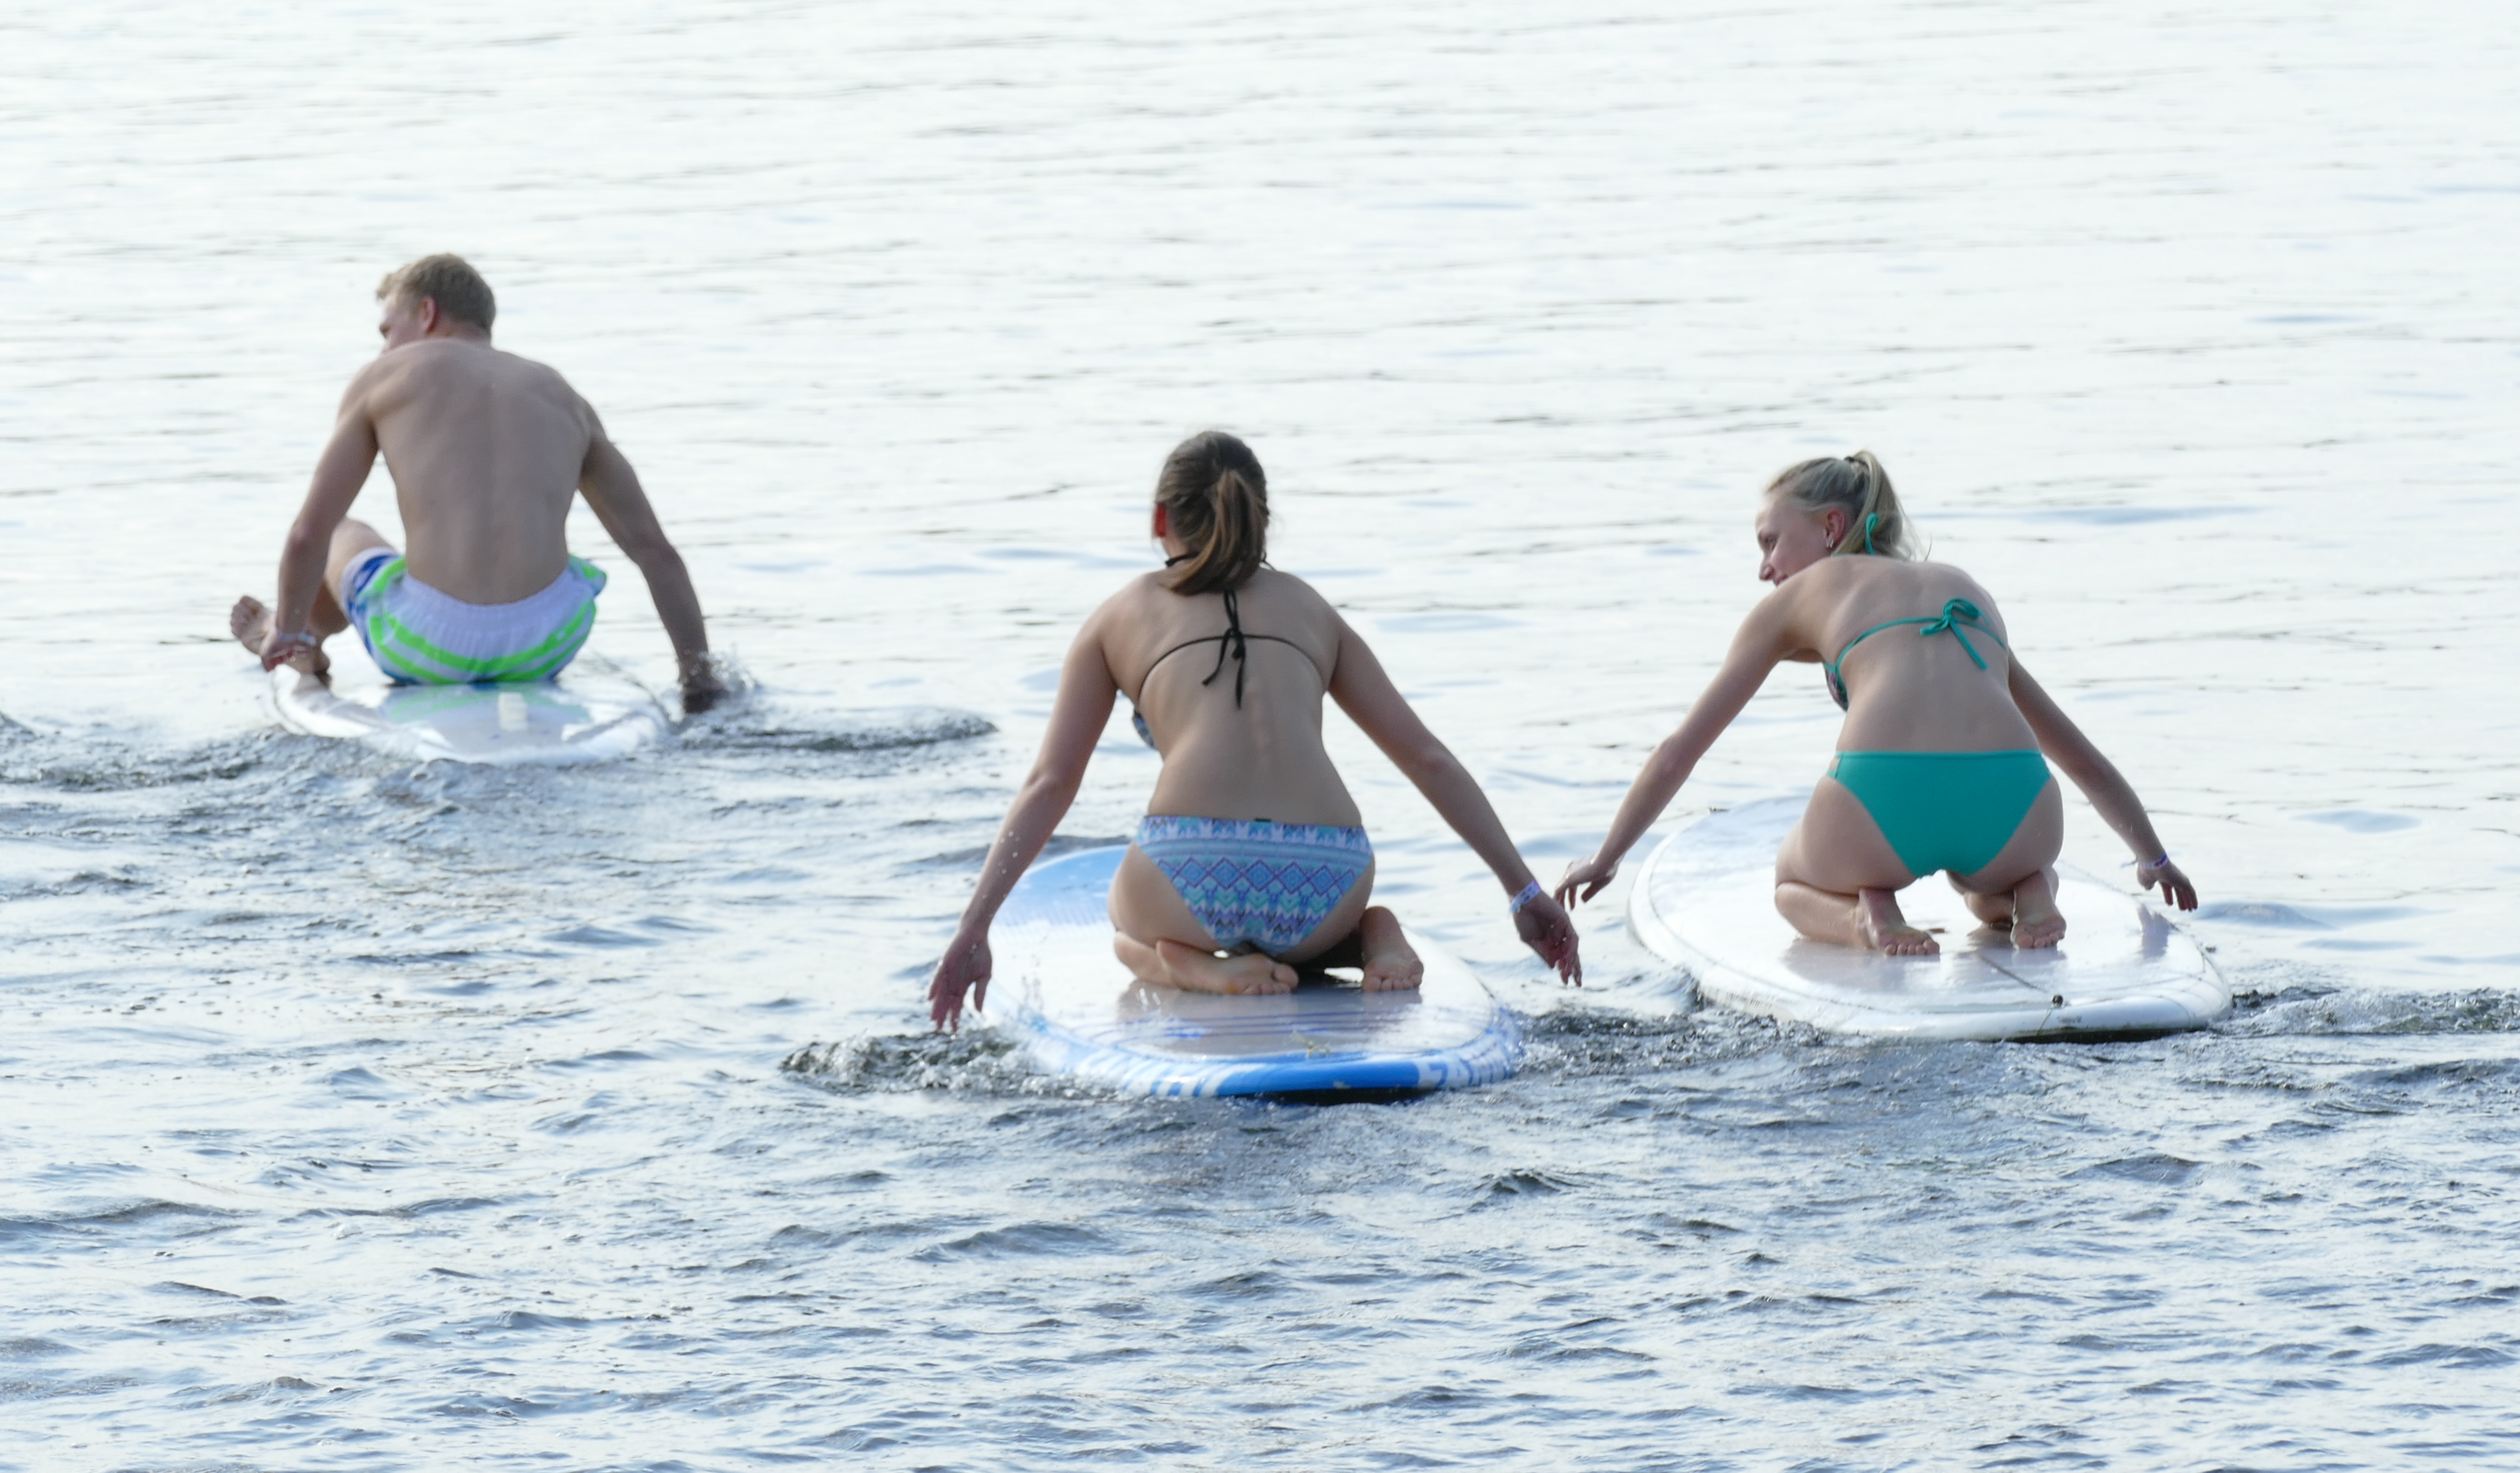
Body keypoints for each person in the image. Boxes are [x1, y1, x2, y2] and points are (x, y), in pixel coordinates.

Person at [923, 433, 1582, 1031]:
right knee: (1323, 938)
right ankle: (1373, 935)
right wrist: (1523, 892)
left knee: (1123, 928)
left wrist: (974, 928)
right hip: (1330, 876)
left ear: (1159, 520)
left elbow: (1051, 782)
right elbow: (1427, 759)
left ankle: (1193, 967)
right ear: (1261, 518)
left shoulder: (1118, 615)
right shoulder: (1312, 609)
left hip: (1189, 872)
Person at [1555, 451, 2197, 954]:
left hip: (1878, 808)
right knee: (1986, 895)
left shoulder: (1802, 595)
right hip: (2018, 808)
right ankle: (2033, 892)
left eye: (1771, 541)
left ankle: (1867, 914)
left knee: (1789, 885)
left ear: (1831, 526)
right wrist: (2155, 858)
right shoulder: (1963, 590)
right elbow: (2081, 759)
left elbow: (1679, 752)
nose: (1765, 569)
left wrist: (1607, 858)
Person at [231, 253, 720, 707]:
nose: (385, 347)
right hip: (546, 646)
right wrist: (698, 679)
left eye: (388, 330)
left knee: (344, 531)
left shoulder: (386, 375)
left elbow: (309, 534)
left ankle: (296, 641)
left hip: (427, 646)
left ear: (427, 313)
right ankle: (306, 640)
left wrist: (283, 628)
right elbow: (656, 553)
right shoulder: (562, 395)